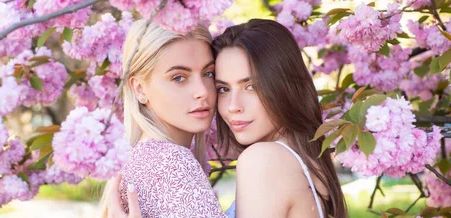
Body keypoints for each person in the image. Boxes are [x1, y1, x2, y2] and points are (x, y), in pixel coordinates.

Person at [107, 19, 347, 218]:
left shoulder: (264, 159)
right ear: (139, 88)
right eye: (223, 88)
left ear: (283, 84)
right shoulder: (309, 163)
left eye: (251, 86)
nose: (233, 107)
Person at [97, 19, 225, 218]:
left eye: (208, 73)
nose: (202, 91)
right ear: (139, 89)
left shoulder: (141, 158)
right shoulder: (170, 162)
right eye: (179, 78)